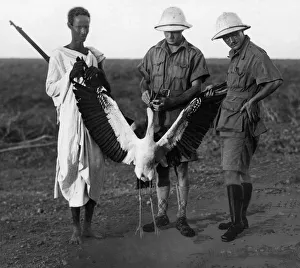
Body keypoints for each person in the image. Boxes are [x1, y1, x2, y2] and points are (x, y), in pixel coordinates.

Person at [205, 12, 283, 242]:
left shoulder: (255, 54)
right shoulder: (238, 55)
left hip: (241, 121)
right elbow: (235, 86)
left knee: (231, 172)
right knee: (242, 171)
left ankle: (237, 223)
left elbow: (275, 81)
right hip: (231, 118)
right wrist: (216, 88)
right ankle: (240, 218)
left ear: (242, 31)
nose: (230, 40)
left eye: (233, 34)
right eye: (226, 37)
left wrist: (253, 101)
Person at [138, 7, 210, 237]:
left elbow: (197, 88)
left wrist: (173, 102)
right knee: (161, 169)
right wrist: (145, 94)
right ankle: (161, 215)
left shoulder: (194, 54)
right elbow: (144, 81)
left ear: (182, 29)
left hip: (182, 122)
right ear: (163, 30)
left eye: (175, 31)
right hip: (158, 123)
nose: (171, 35)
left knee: (182, 168)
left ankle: (181, 217)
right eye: (167, 31)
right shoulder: (153, 52)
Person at [46, 6, 110, 244]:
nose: (83, 31)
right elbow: (51, 88)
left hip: (93, 122)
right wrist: (69, 76)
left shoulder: (92, 56)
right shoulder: (58, 56)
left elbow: (101, 90)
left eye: (87, 27)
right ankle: (75, 229)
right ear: (70, 26)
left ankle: (89, 226)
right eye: (79, 26)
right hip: (71, 123)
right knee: (72, 169)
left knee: (94, 170)